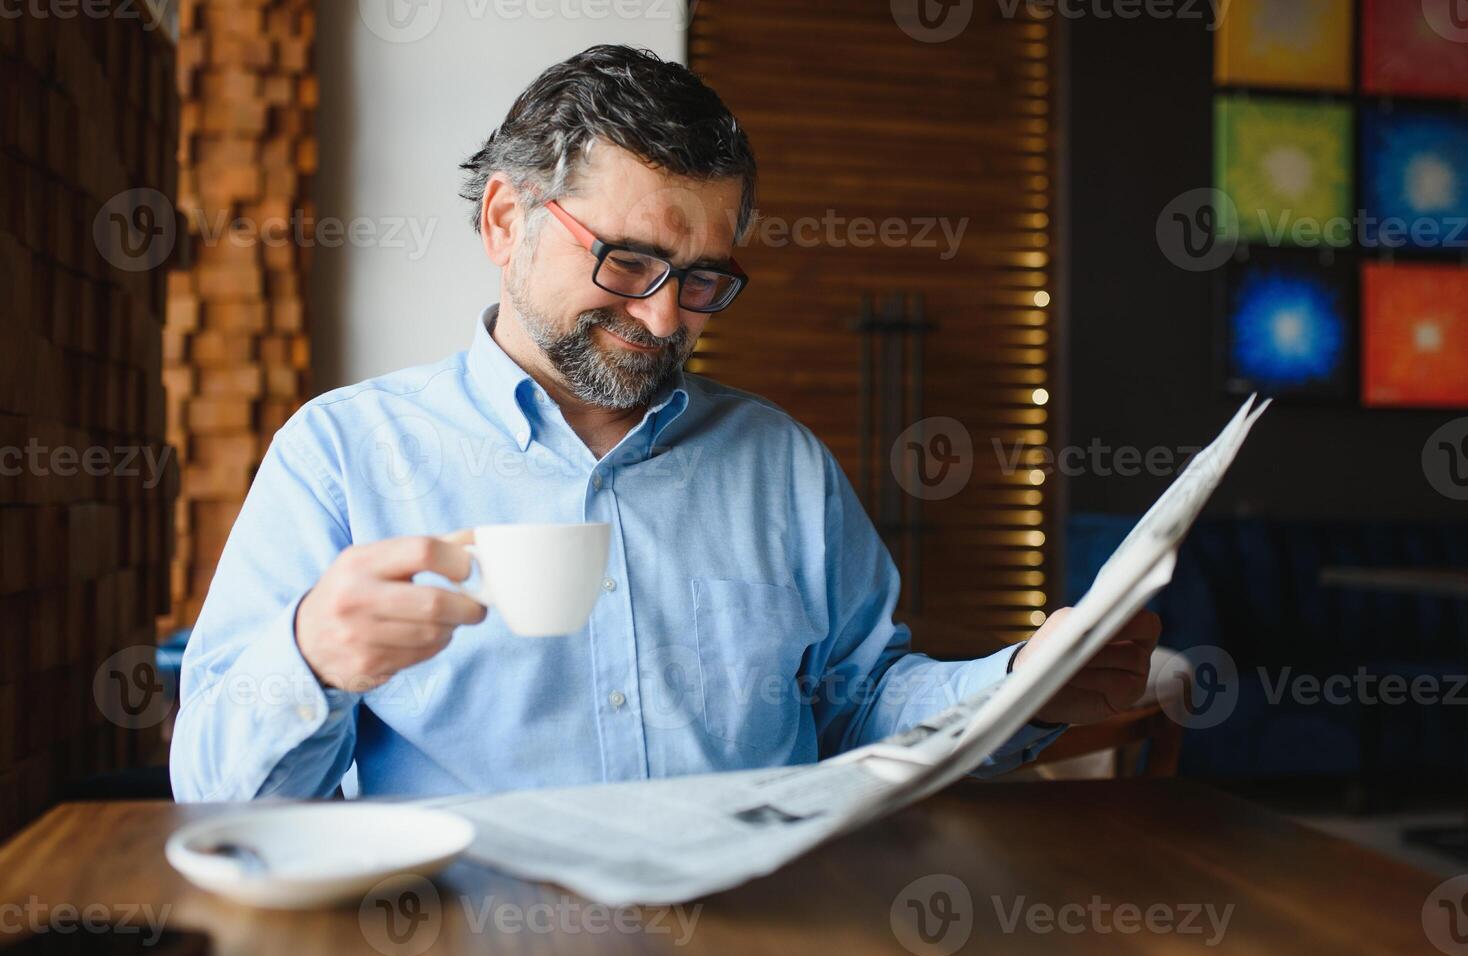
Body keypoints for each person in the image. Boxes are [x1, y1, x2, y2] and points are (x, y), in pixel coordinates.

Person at [170, 45, 1159, 802]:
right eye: (628, 262)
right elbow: (216, 794)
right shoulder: (341, 455)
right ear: (505, 220)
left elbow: (863, 707)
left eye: (702, 279)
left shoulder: (780, 462)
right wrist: (308, 657)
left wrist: (1023, 681)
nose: (660, 316)